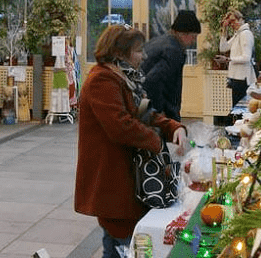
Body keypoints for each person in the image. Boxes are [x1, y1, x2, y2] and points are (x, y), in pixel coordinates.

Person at [75, 25, 187, 258]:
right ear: (119, 53)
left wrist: (173, 127)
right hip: (113, 181)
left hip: (126, 182)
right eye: (138, 51)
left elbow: (145, 114)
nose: (144, 56)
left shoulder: (125, 78)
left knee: (118, 244)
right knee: (122, 243)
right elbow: (122, 126)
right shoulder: (102, 80)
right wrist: (156, 141)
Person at [140, 10, 202, 121]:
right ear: (183, 33)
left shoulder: (158, 41)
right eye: (193, 37)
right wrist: (159, 111)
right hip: (159, 109)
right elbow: (152, 81)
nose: (194, 41)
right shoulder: (174, 50)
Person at [215, 9, 256, 107]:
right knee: (236, 107)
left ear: (241, 19)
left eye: (234, 20)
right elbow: (223, 48)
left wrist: (228, 60)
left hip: (243, 78)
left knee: (239, 108)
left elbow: (246, 58)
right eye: (230, 22)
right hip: (236, 77)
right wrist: (224, 30)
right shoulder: (238, 34)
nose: (232, 24)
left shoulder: (245, 34)